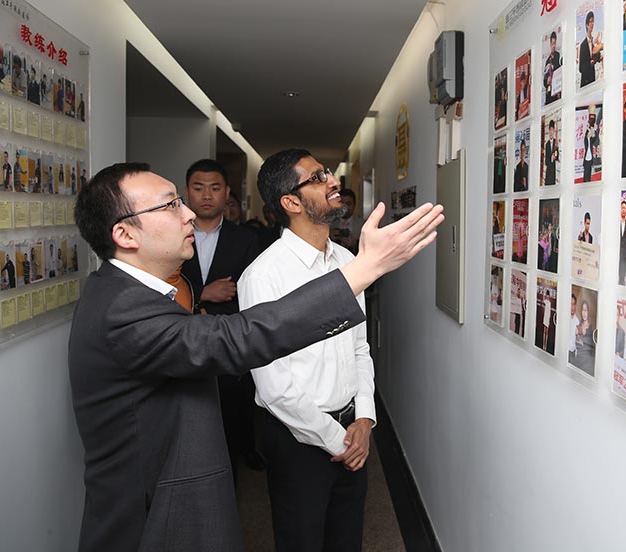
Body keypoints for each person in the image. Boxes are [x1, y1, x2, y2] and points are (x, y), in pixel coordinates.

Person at [68, 162, 443, 552]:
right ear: (125, 233)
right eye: (171, 205)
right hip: (156, 521)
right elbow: (239, 338)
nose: (190, 213)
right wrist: (367, 267)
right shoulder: (121, 308)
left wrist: (362, 417)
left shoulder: (128, 294)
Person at [239, 149, 376, 551]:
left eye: (328, 173)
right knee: (301, 540)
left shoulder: (348, 261)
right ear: (291, 202)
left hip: (353, 431)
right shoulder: (264, 276)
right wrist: (338, 441)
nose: (333, 181)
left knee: (346, 538)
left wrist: (364, 420)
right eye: (318, 178)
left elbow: (360, 346)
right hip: (297, 439)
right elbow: (273, 387)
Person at [180, 159, 263, 478]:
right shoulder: (172, 236)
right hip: (184, 338)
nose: (206, 195)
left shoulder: (245, 240)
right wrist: (203, 294)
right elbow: (163, 288)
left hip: (230, 338)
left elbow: (254, 295)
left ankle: (240, 454)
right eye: (198, 188)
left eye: (215, 188)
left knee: (234, 406)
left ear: (227, 193)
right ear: (187, 192)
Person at [330, 188, 363, 255]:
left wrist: (356, 244)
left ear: (354, 205)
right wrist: (329, 238)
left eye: (348, 204)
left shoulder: (363, 225)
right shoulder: (329, 225)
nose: (345, 207)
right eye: (342, 203)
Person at [578, 11, 603, 87]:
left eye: (593, 21)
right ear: (586, 25)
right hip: (585, 82)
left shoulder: (594, 41)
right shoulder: (583, 45)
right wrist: (590, 63)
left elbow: (597, 56)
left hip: (592, 80)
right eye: (590, 21)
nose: (592, 24)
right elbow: (581, 68)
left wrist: (599, 57)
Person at [543, 31, 562, 105]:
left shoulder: (558, 56)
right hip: (549, 93)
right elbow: (544, 81)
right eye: (552, 43)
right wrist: (547, 82)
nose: (553, 46)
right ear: (550, 44)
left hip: (556, 91)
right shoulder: (547, 60)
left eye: (555, 43)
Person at [583, 105, 600, 182]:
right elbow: (587, 136)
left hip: (590, 159)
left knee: (589, 175)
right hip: (586, 159)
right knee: (585, 175)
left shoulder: (591, 138)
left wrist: (595, 130)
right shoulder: (586, 138)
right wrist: (589, 132)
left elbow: (595, 138)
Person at [542, 119, 559, 186]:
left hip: (553, 169)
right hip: (548, 169)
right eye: (550, 130)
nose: (551, 132)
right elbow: (546, 161)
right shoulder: (547, 144)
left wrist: (555, 156)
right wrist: (551, 158)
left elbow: (557, 155)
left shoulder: (556, 142)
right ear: (548, 131)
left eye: (552, 130)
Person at [568, 293, 579, 357]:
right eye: (571, 304)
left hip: (572, 353)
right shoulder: (565, 319)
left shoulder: (577, 321)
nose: (572, 307)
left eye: (574, 304)